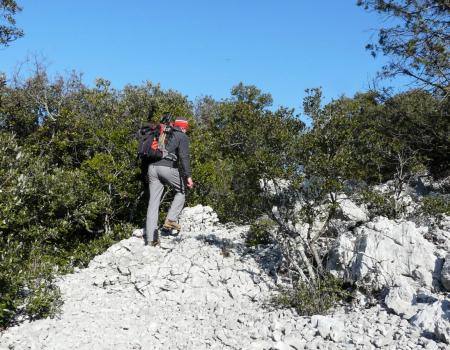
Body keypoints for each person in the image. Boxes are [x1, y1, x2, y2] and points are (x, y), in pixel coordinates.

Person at [144, 116, 194, 246]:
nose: (186, 131)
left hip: (152, 168)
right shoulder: (181, 136)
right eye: (186, 129)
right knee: (181, 191)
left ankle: (151, 240)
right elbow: (184, 156)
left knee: (153, 203)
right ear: (183, 128)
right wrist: (188, 176)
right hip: (167, 167)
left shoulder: (163, 132)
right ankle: (171, 219)